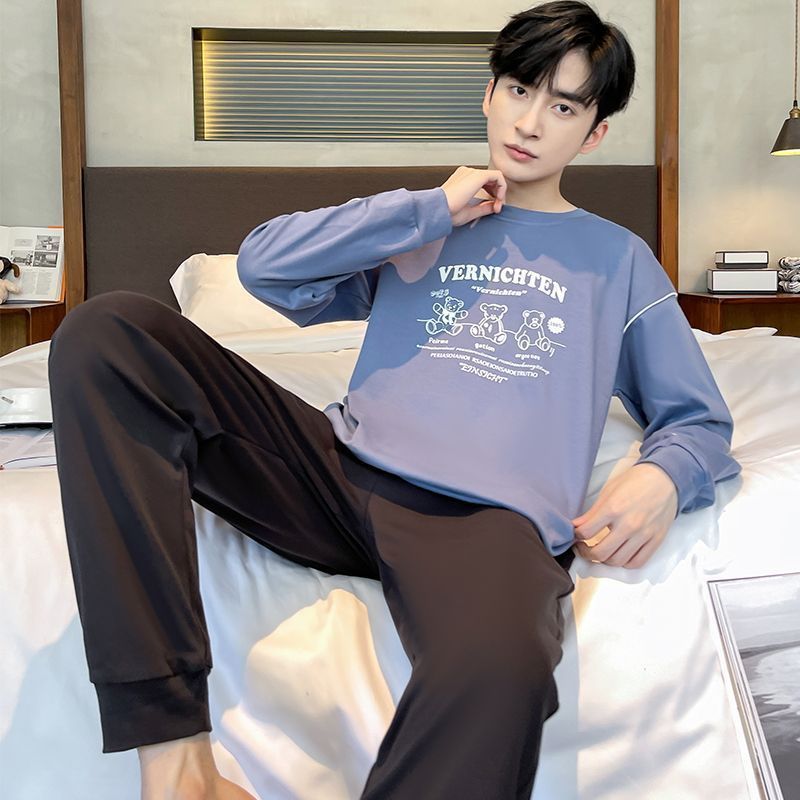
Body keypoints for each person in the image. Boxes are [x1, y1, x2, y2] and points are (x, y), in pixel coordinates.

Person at [47, 2, 741, 799]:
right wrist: (432, 209)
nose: (529, 122)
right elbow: (265, 268)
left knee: (501, 667)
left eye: (562, 106)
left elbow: (698, 417)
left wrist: (665, 476)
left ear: (593, 134)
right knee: (106, 332)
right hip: (335, 473)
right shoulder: (424, 221)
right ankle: (179, 766)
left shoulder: (618, 260)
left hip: (486, 522)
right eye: (520, 90)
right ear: (489, 94)